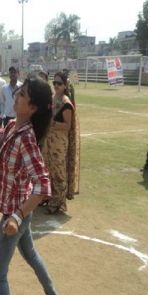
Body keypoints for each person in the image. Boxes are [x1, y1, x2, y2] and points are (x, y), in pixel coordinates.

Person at [0, 77, 60, 295]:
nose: (16, 96)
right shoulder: (15, 126)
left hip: (14, 215)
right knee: (31, 255)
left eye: (23, 95)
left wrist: (16, 216)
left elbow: (43, 185)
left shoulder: (26, 137)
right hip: (18, 213)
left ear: (34, 107)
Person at [41, 71, 80, 214]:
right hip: (48, 142)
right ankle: (47, 197)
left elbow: (68, 126)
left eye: (59, 83)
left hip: (59, 144)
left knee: (58, 172)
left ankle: (57, 202)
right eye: (54, 83)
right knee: (47, 169)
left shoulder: (66, 103)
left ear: (65, 86)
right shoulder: (51, 99)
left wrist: (52, 124)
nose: (56, 85)